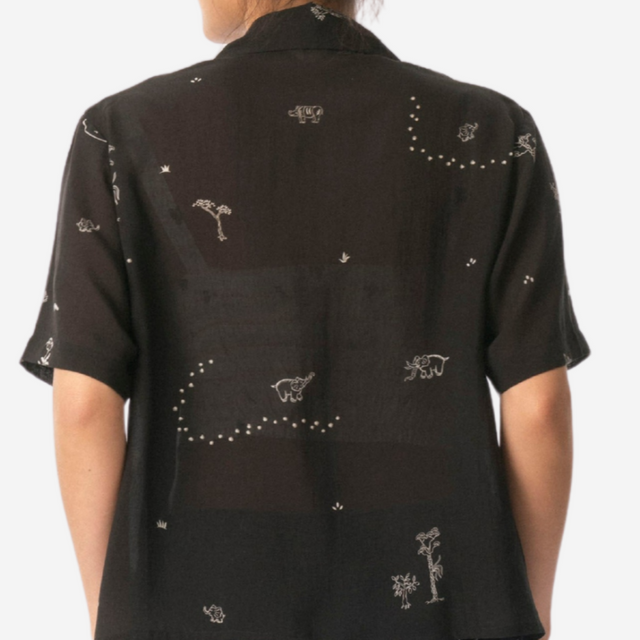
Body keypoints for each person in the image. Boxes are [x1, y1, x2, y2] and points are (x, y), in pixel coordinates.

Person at [18, 1, 590, 639]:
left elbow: (83, 405)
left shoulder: (118, 133)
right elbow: (538, 405)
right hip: (440, 609)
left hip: (195, 603)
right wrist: (527, 615)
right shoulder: (492, 130)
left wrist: (114, 617)